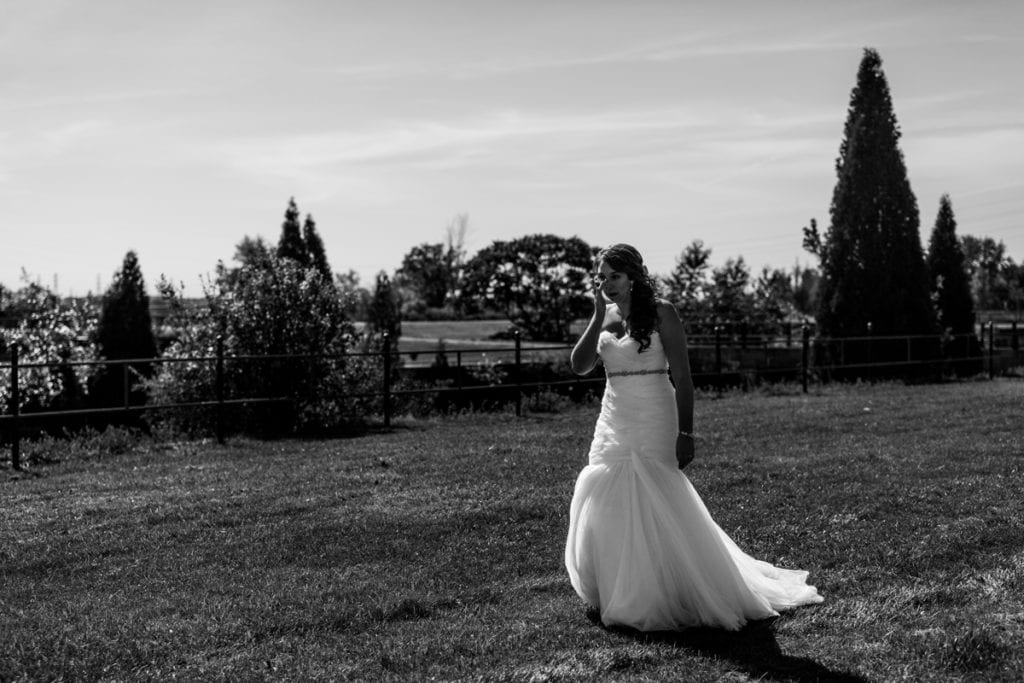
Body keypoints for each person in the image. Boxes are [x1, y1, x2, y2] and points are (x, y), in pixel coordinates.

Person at [564, 243, 823, 631]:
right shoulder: (606, 316)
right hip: (614, 417)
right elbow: (580, 366)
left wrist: (686, 432)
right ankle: (620, 586)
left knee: (655, 493)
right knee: (607, 491)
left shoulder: (663, 313)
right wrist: (597, 314)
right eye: (602, 277)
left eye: (614, 276)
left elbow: (683, 378)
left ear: (634, 276)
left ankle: (671, 588)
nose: (608, 284)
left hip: (655, 412)